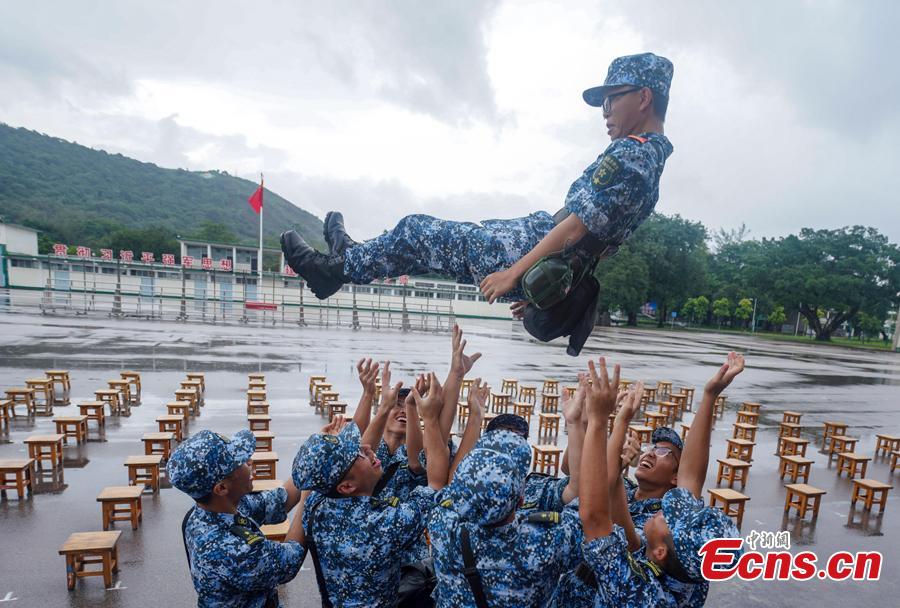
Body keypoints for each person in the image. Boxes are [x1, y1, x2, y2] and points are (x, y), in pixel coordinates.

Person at [281, 52, 675, 355]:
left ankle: (332, 269)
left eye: (612, 100)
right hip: (535, 249)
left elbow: (577, 227)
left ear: (643, 97)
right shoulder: (649, 160)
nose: (605, 113)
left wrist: (515, 274)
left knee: (416, 232)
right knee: (423, 251)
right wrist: (545, 287)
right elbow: (596, 246)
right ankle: (348, 260)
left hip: (525, 249)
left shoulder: (634, 156)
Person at [578, 355, 745, 607]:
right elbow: (690, 479)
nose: (665, 511)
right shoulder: (688, 567)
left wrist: (600, 420)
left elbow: (596, 517)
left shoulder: (638, 591)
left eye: (667, 517)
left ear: (659, 552)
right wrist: (710, 394)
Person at [291, 365, 451, 607]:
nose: (366, 449)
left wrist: (379, 402)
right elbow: (436, 483)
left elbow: (351, 465)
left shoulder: (316, 505)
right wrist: (428, 418)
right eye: (358, 455)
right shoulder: (387, 523)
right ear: (345, 486)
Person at [428, 429, 584, 607]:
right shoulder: (546, 542)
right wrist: (581, 424)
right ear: (521, 500)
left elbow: (440, 487)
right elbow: (589, 510)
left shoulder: (441, 525)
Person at [167, 429, 307, 608]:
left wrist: (312, 461)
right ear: (221, 488)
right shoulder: (227, 550)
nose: (249, 461)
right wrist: (307, 498)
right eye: (239, 462)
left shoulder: (212, 510)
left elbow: (278, 501)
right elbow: (289, 561)